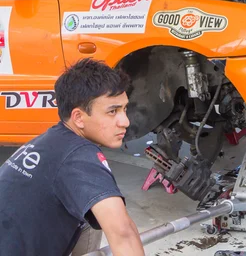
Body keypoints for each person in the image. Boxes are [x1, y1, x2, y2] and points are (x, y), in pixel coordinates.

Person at [0, 59, 145, 256]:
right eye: (112, 111)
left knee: (91, 214)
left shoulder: (51, 140)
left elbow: (123, 223)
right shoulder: (79, 155)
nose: (125, 121)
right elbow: (123, 234)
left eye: (124, 109)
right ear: (78, 117)